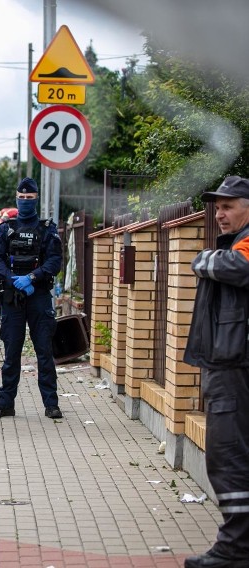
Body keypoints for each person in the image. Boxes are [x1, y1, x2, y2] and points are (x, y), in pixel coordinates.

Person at [183, 176, 249, 568]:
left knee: (228, 457)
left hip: (234, 364)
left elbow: (237, 267)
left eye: (228, 206)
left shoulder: (240, 247)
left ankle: (235, 549)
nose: (219, 214)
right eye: (217, 207)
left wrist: (203, 260)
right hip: (229, 360)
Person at [0, 177, 63, 419]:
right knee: (11, 354)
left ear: (36, 199)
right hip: (12, 298)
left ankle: (51, 404)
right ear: (16, 199)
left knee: (44, 352)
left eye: (30, 198)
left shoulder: (47, 228)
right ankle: (5, 404)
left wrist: (31, 277)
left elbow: (55, 261)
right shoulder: (5, 228)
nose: (26, 201)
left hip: (38, 295)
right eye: (22, 198)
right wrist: (12, 280)